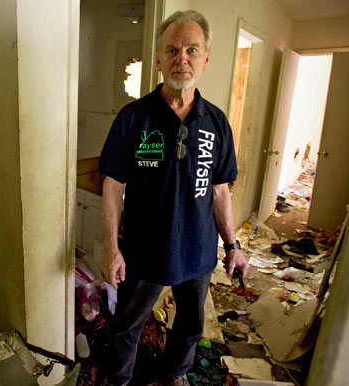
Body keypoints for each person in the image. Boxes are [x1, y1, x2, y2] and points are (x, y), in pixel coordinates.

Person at [99, 10, 249, 386]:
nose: (182, 58)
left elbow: (220, 191)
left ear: (205, 60)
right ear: (160, 59)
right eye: (173, 50)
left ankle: (175, 374)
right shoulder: (134, 118)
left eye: (192, 50)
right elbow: (113, 185)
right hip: (143, 252)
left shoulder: (216, 123)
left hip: (198, 253)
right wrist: (111, 248)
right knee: (126, 327)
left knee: (189, 325)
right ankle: (118, 380)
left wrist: (232, 244)